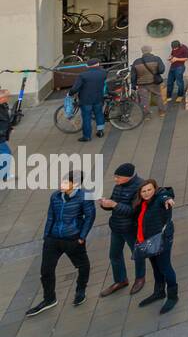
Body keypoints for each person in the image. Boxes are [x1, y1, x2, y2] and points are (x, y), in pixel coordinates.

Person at [26, 169, 96, 315]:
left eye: (65, 182)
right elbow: (50, 216)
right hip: (53, 239)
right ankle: (49, 299)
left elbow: (89, 217)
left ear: (75, 184)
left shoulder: (85, 197)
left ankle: (80, 291)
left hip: (73, 239)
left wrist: (82, 237)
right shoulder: (55, 196)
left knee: (83, 265)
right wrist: (47, 236)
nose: (61, 184)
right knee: (46, 270)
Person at [98, 162, 147, 297]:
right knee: (114, 255)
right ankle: (121, 280)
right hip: (116, 227)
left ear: (129, 177)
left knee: (137, 254)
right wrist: (105, 204)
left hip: (131, 229)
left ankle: (140, 278)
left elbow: (133, 211)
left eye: (118, 177)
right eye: (115, 177)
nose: (115, 180)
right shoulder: (118, 186)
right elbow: (114, 204)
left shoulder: (140, 187)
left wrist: (113, 204)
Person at [132, 179, 179, 313]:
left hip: (162, 240)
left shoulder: (159, 198)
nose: (147, 193)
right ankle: (159, 292)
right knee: (156, 267)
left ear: (155, 189)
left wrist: (167, 199)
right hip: (148, 241)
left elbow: (164, 197)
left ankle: (173, 296)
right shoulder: (142, 203)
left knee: (165, 267)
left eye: (149, 190)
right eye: (143, 191)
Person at [70, 58, 107, 142]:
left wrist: (70, 94)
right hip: (98, 98)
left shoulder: (83, 75)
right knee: (99, 114)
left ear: (87, 66)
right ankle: (100, 132)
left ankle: (87, 136)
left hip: (86, 100)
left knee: (87, 118)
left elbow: (75, 88)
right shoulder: (103, 73)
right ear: (97, 64)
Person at [130, 45, 166, 119]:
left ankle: (147, 116)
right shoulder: (156, 58)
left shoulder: (136, 62)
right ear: (150, 50)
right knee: (158, 96)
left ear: (142, 51)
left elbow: (133, 76)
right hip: (154, 83)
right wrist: (155, 72)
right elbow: (161, 70)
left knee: (144, 99)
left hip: (141, 84)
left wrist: (133, 86)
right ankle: (161, 112)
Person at [164, 39, 188, 105]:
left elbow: (187, 58)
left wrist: (177, 59)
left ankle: (180, 95)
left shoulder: (184, 48)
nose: (174, 49)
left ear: (179, 46)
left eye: (175, 48)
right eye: (173, 48)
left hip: (180, 67)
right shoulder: (174, 48)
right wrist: (170, 58)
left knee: (179, 82)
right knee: (169, 82)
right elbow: (172, 54)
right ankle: (169, 96)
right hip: (172, 66)